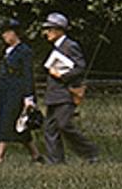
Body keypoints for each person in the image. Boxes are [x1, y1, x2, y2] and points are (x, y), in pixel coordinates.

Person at [35, 12, 95, 163]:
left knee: (64, 124)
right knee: (50, 129)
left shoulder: (70, 46)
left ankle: (90, 152)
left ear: (58, 30)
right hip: (53, 94)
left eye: (49, 29)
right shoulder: (56, 47)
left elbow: (80, 67)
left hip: (66, 93)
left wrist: (61, 76)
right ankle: (56, 161)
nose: (46, 33)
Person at [0, 20, 36, 163]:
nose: (4, 36)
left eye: (6, 32)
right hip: (5, 93)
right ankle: (35, 155)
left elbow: (28, 75)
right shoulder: (5, 52)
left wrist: (28, 96)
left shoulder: (24, 51)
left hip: (18, 93)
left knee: (7, 123)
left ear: (14, 33)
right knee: (19, 127)